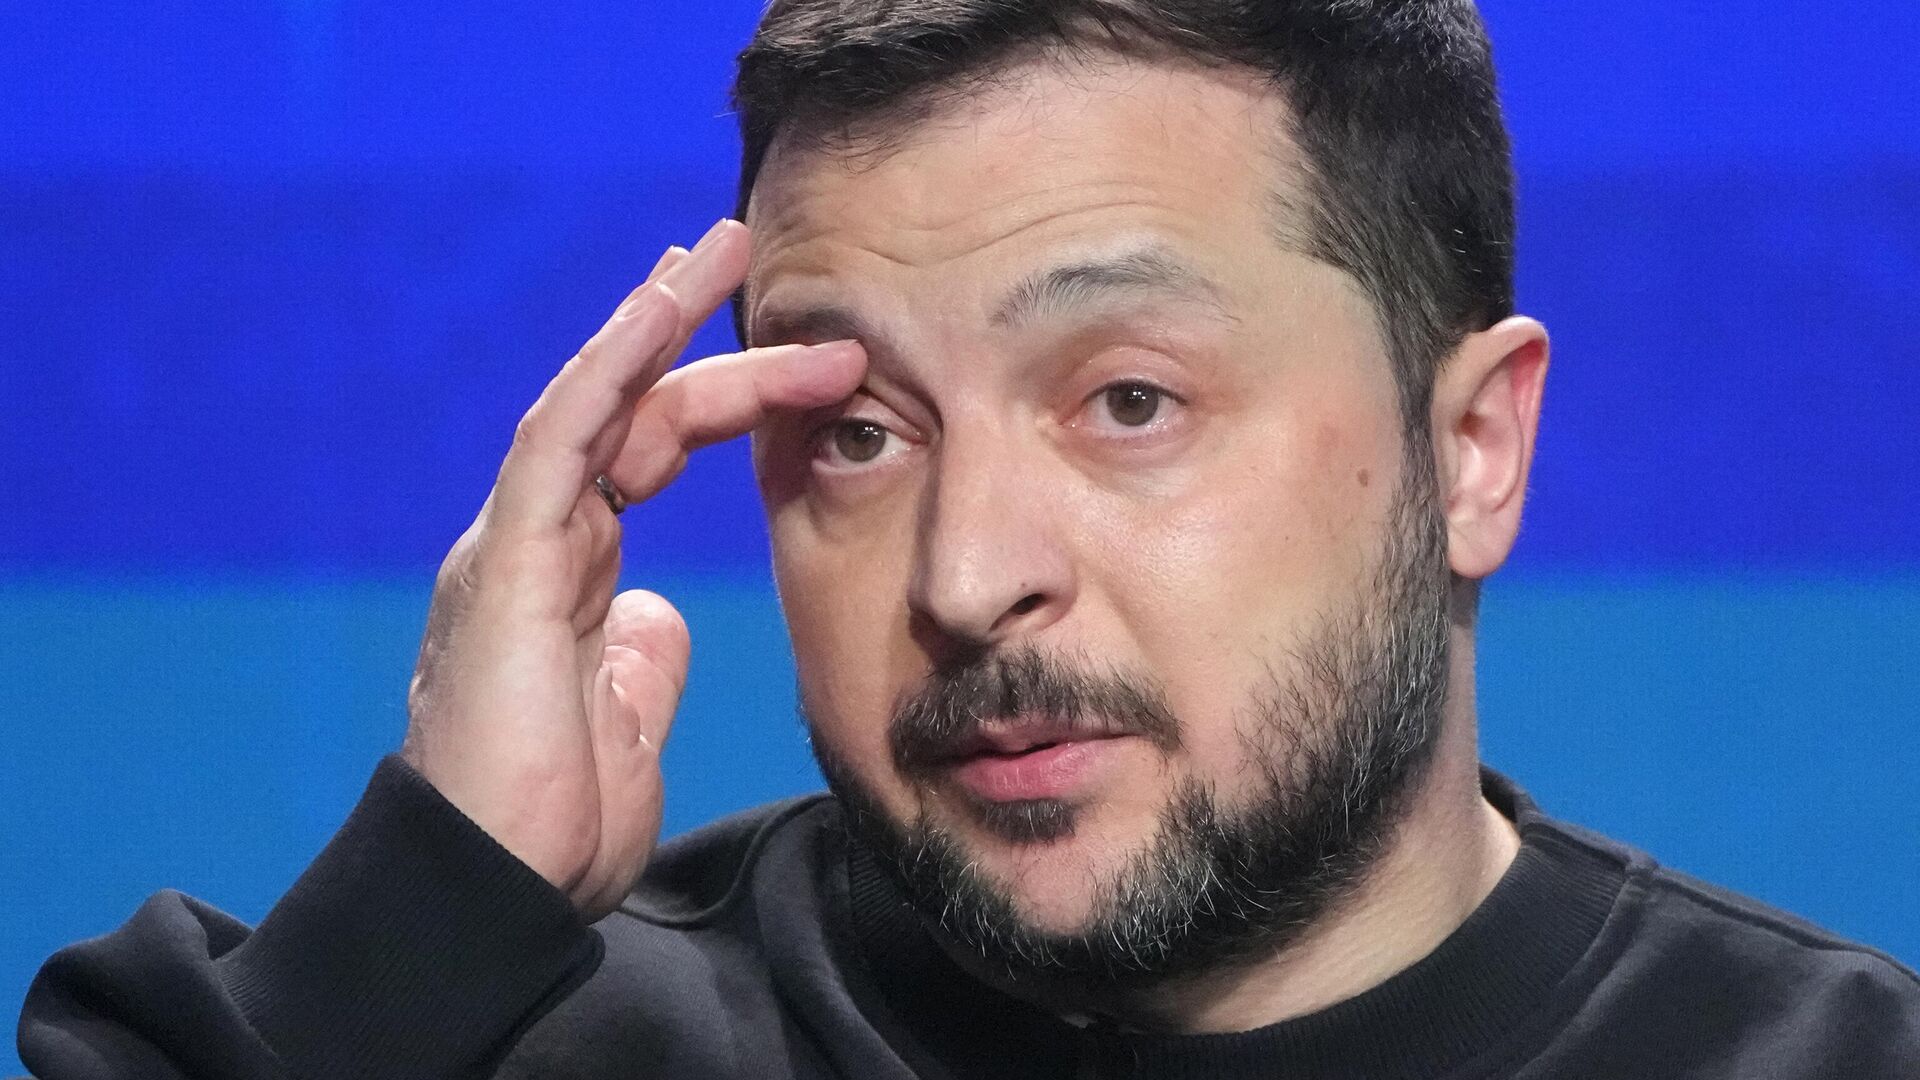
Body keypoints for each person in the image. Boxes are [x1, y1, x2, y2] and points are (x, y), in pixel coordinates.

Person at [18, 1, 1919, 1077]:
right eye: (859, 433)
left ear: (1474, 448)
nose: (962, 575)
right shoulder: (513, 1043)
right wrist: (429, 916)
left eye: (1127, 401)